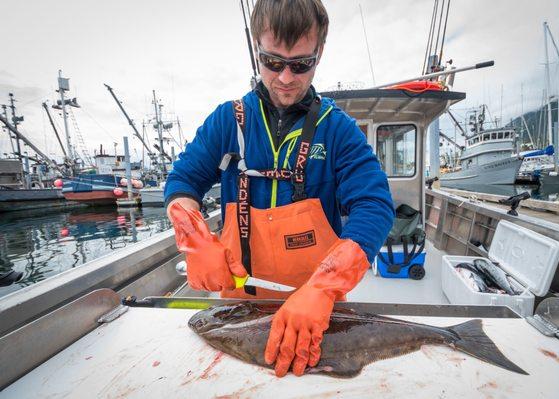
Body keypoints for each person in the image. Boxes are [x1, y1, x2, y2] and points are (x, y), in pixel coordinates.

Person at [164, 0, 394, 378]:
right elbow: (183, 181)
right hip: (237, 311)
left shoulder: (338, 130)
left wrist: (323, 289)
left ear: (319, 54)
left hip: (320, 315)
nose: (286, 78)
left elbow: (374, 205)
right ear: (257, 51)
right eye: (274, 62)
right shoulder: (228, 120)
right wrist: (195, 239)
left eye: (301, 64)